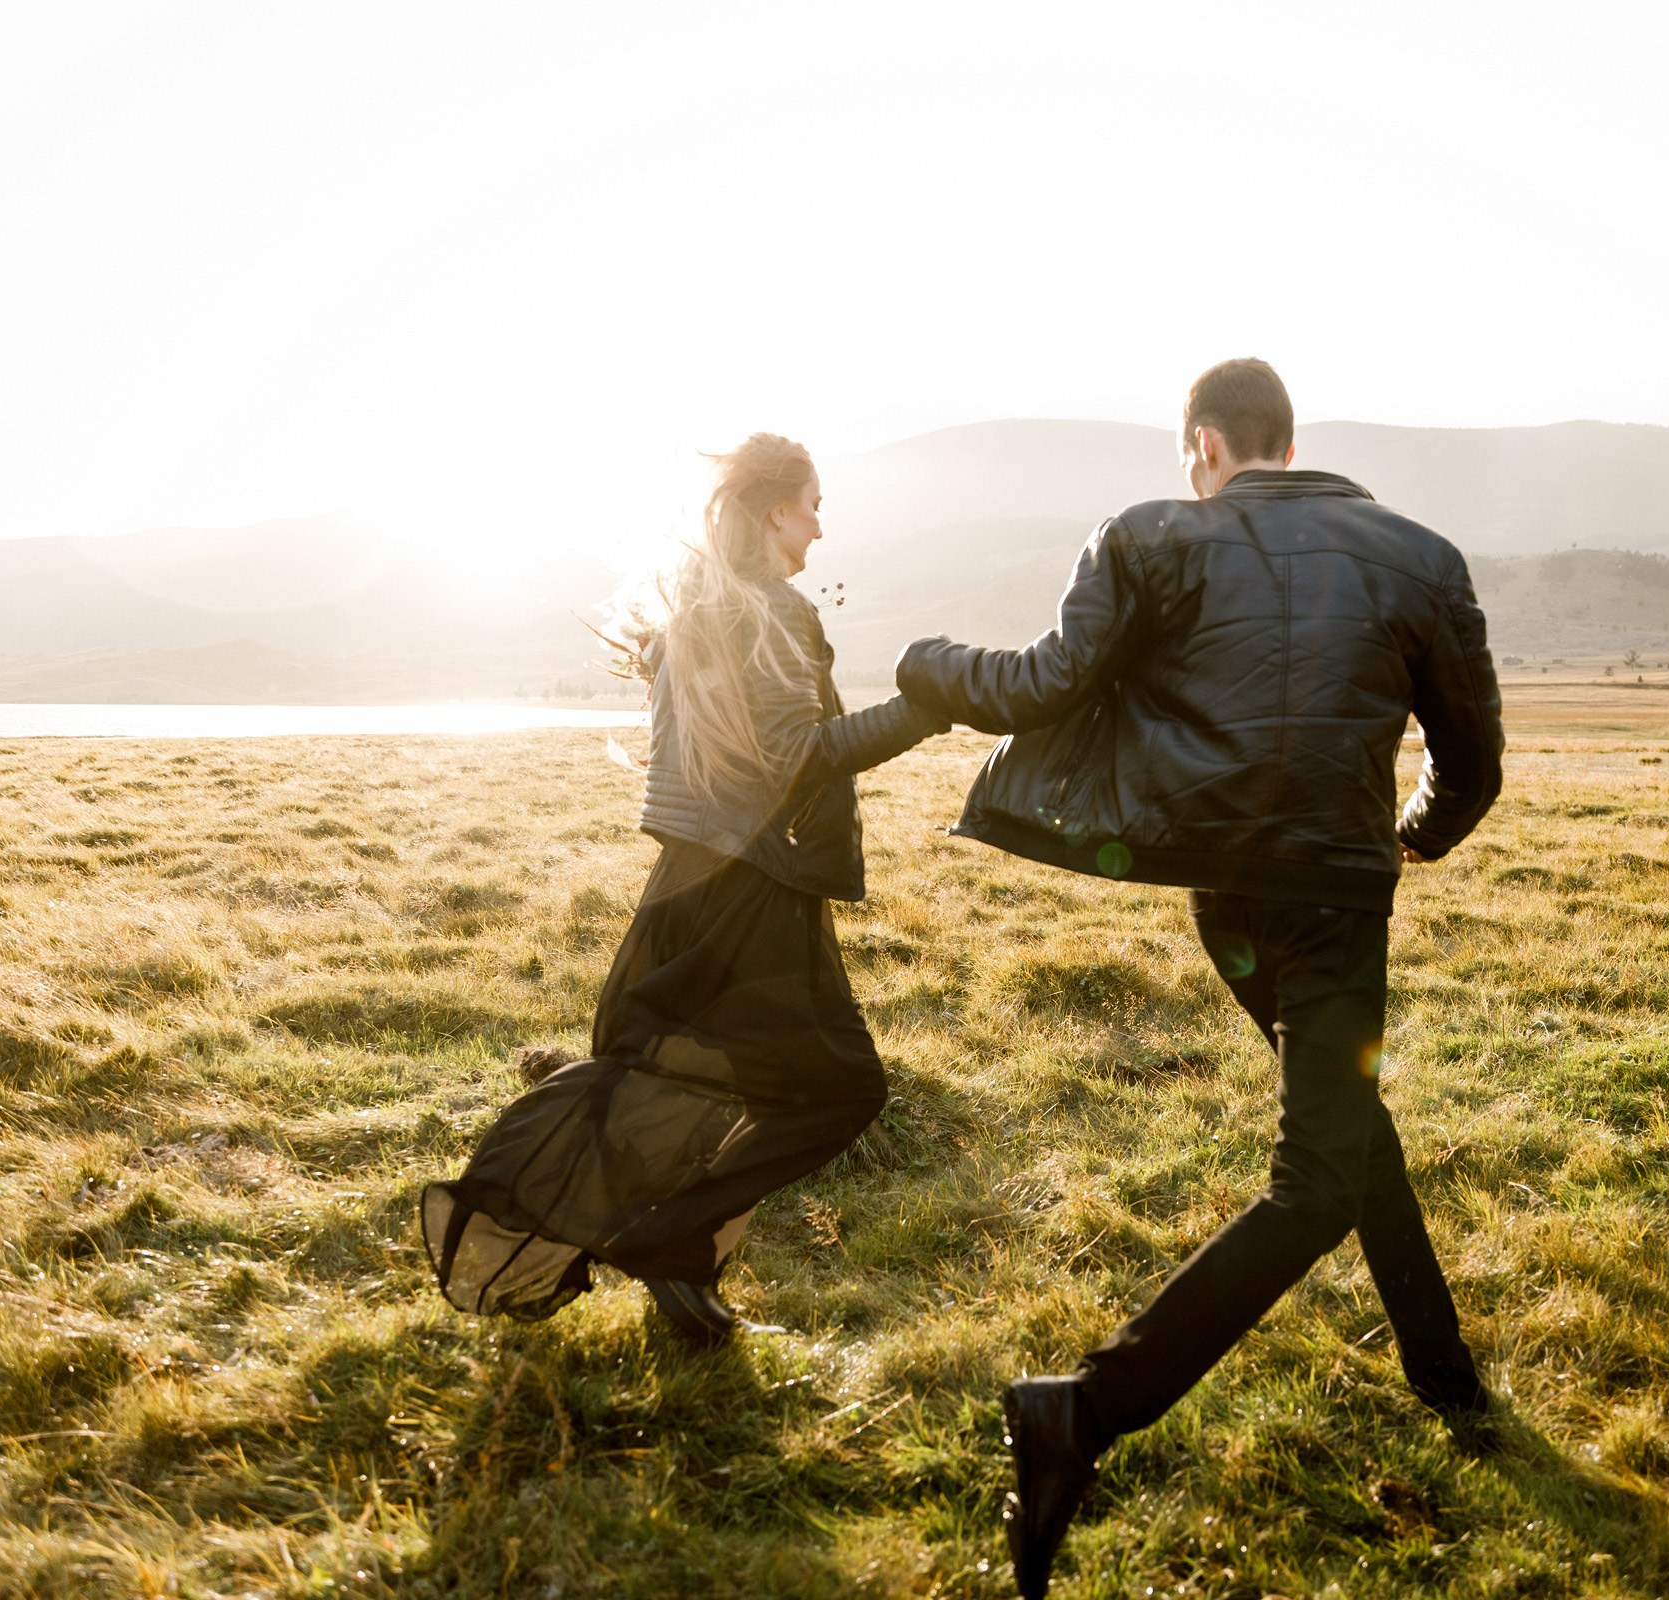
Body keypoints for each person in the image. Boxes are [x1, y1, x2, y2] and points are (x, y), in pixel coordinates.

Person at [895, 360, 1505, 1598]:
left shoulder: (1150, 537)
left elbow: (1041, 683)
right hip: (1334, 893)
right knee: (1322, 1166)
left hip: (1224, 894)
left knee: (1341, 1126)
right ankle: (1085, 1410)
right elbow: (1474, 754)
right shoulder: (1421, 555)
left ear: (1207, 444)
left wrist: (925, 664)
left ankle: (1444, 1373)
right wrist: (1420, 833)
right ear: (1287, 440)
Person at [421, 433, 947, 1342]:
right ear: (777, 508)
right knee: (838, 1091)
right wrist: (925, 708)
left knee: (692, 1072)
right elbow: (799, 760)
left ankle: (683, 1269)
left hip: (693, 881)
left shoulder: (704, 606)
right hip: (750, 890)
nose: (821, 528)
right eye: (814, 504)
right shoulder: (772, 611)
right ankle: (669, 1240)